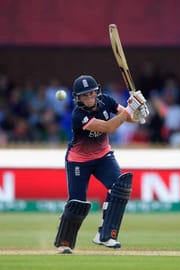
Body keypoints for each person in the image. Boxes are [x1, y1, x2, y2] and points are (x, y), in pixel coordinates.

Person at [54, 75, 149, 254]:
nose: (89, 98)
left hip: (103, 156)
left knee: (119, 187)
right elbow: (108, 127)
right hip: (79, 161)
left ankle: (106, 235)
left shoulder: (106, 100)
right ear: (77, 97)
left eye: (91, 93)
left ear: (97, 91)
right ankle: (64, 243)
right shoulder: (78, 115)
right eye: (84, 95)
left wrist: (138, 111)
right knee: (77, 204)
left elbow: (129, 118)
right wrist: (130, 109)